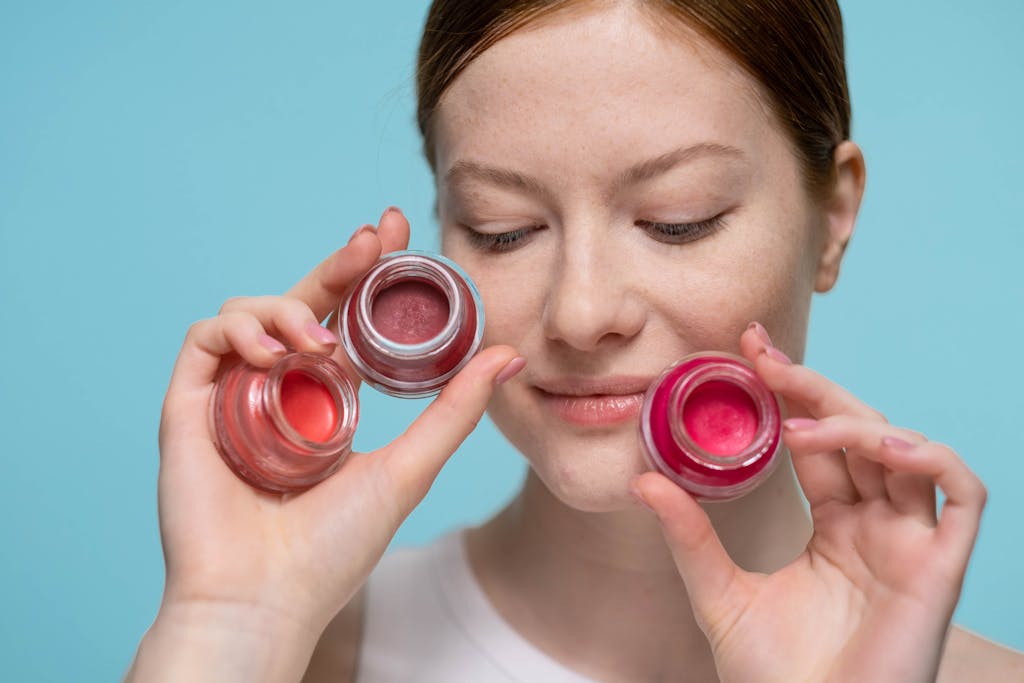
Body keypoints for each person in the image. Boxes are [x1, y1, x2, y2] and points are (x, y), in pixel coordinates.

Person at [126, 1, 1024, 681]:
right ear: (442, 225)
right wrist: (225, 623)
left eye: (680, 220)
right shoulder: (305, 653)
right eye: (503, 227)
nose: (582, 311)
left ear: (833, 215)